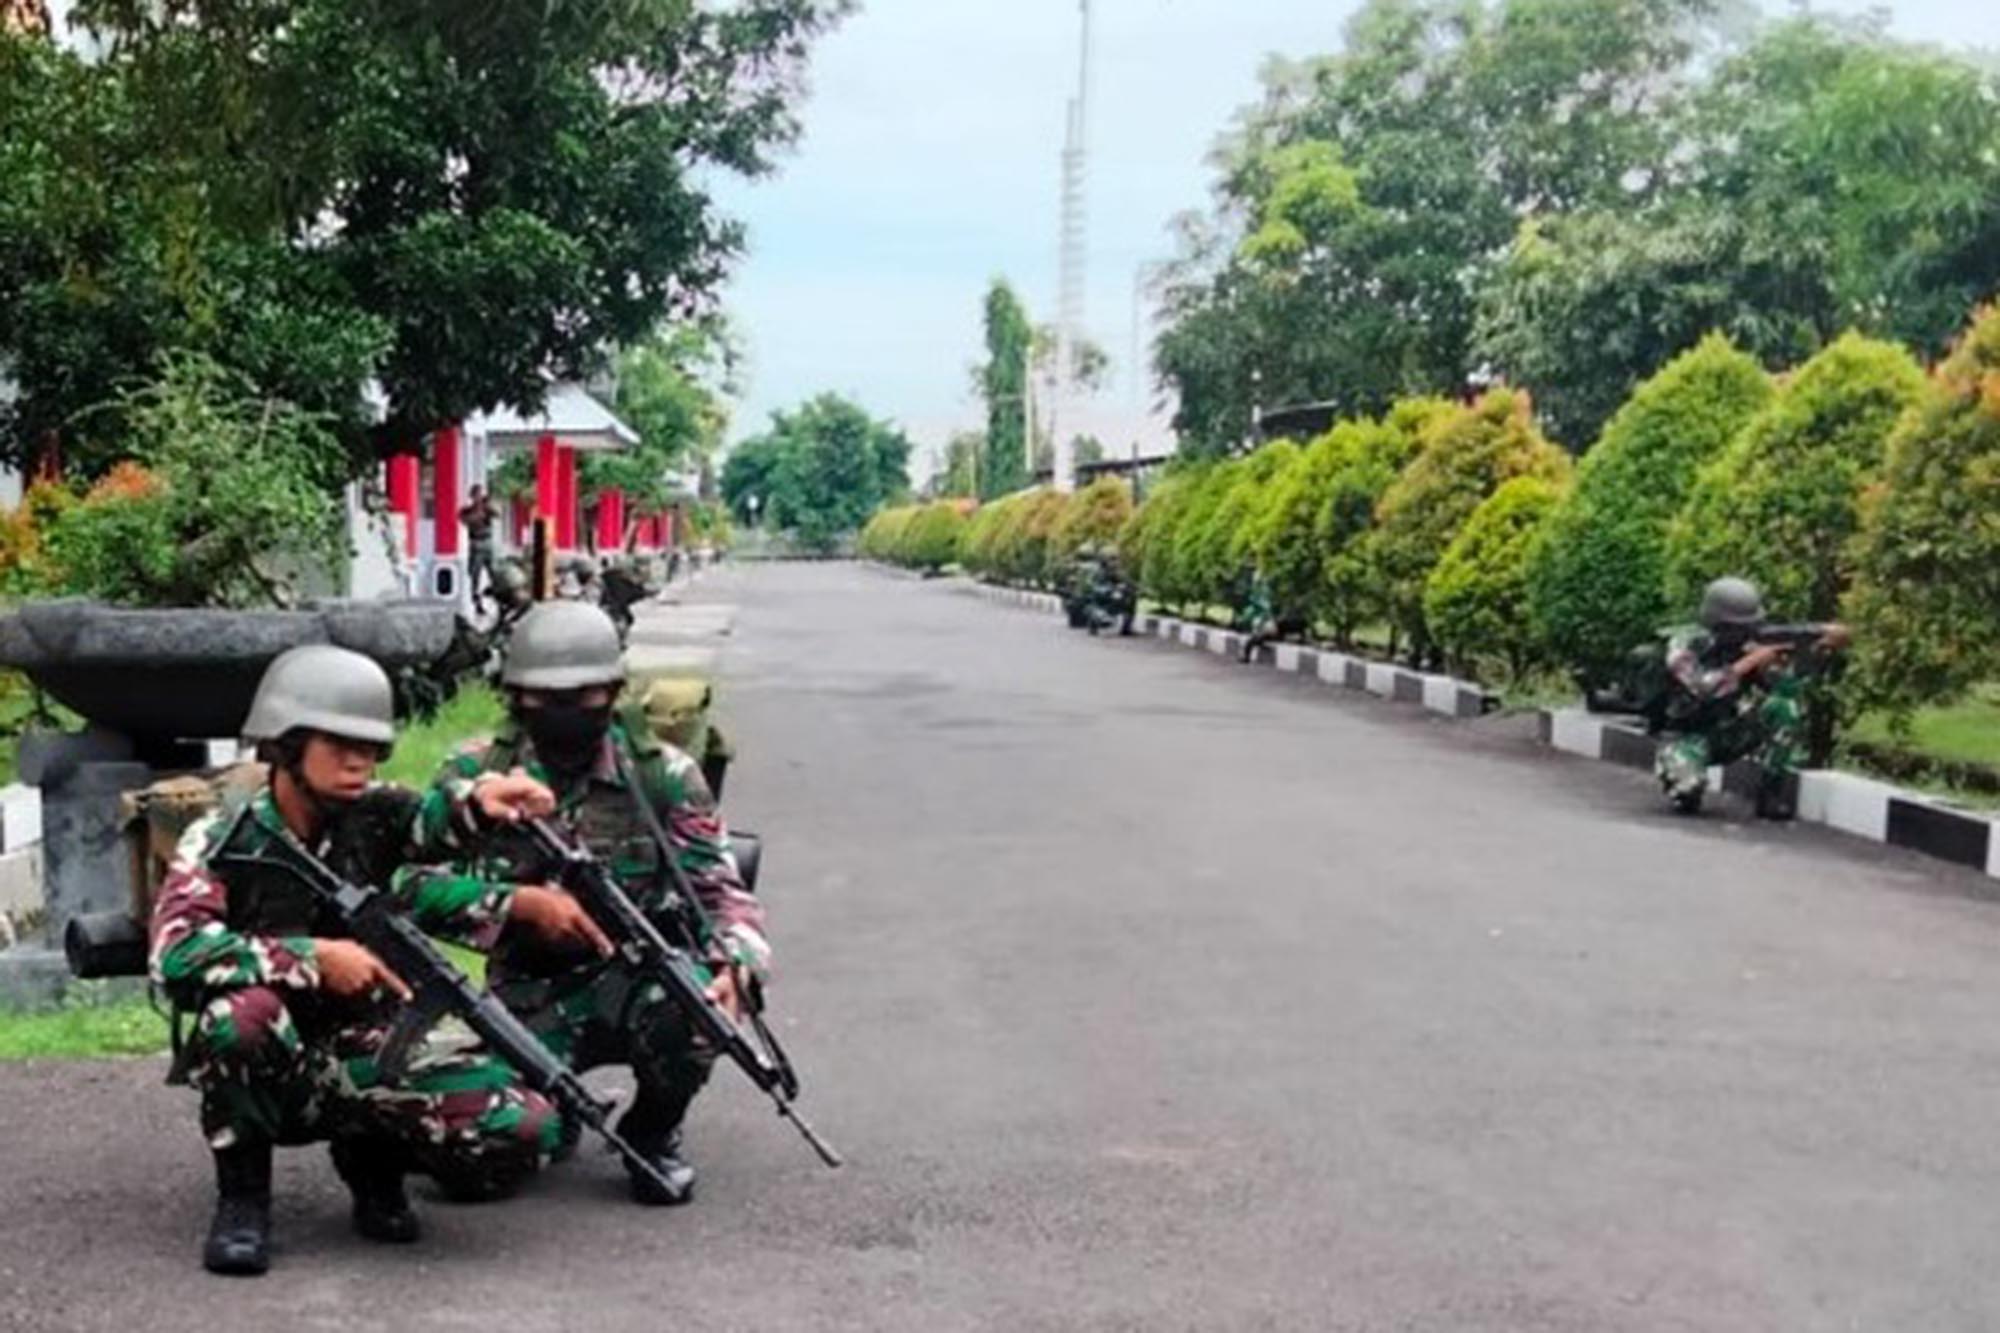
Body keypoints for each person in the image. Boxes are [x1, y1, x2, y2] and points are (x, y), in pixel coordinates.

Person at [151, 644, 611, 1276]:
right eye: (339, 743)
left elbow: (430, 818)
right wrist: (310, 958)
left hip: (364, 1040)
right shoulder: (224, 838)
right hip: (271, 1051)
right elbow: (176, 954)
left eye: (370, 746)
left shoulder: (373, 813)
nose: (359, 760)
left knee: (525, 1126)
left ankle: (373, 1161)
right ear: (285, 744)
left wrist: (483, 799)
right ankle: (243, 1197)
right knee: (238, 1018)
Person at [432, 600, 767, 1206]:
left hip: (638, 981)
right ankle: (557, 1109)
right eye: (544, 697)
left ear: (614, 690)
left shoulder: (663, 775)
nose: (564, 712)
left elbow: (718, 889)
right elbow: (413, 889)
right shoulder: (477, 773)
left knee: (697, 1009)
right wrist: (517, 905)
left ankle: (653, 1131)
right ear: (513, 694)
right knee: (476, 1164)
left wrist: (736, 963)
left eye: (584, 696)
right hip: (523, 994)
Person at [1653, 576, 1850, 818]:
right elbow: (1702, 688)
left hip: (1731, 731)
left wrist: (1803, 654)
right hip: (1685, 737)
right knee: (1688, 788)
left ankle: (1770, 793)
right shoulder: (1684, 645)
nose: (1744, 633)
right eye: (1736, 628)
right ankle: (1683, 785)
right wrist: (1749, 662)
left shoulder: (1751, 643)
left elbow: (1782, 688)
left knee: (1784, 708)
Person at [459, 486, 498, 612]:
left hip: (488, 543)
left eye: (480, 495)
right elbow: (466, 521)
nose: (478, 498)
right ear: (472, 497)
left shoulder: (487, 509)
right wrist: (479, 511)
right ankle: (477, 604)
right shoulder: (466, 511)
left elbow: (497, 514)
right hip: (476, 544)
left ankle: (498, 601)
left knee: (494, 574)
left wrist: (488, 506)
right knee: (475, 576)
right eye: (476, 495)